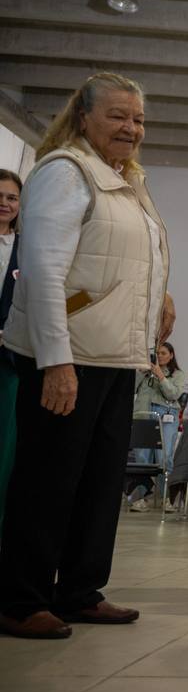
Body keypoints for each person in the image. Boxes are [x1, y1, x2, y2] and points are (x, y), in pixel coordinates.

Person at [0, 72, 175, 639]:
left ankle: (78, 590)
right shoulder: (64, 172)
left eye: (139, 119)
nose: (132, 127)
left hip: (117, 357)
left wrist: (158, 299)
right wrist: (56, 361)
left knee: (98, 485)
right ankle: (20, 599)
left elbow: (123, 260)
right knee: (48, 481)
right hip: (71, 354)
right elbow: (44, 273)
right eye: (119, 116)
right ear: (84, 117)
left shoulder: (127, 179)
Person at [127, 341, 188, 513]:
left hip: (166, 418)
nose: (159, 356)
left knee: (164, 457)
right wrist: (140, 372)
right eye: (157, 353)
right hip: (143, 415)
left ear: (171, 355)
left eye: (163, 353)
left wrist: (161, 376)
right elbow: (129, 389)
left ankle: (166, 498)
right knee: (142, 457)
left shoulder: (177, 374)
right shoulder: (144, 374)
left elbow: (173, 394)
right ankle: (140, 498)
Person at [0, 168, 21, 529]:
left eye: (12, 197)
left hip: (10, 359)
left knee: (5, 449)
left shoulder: (27, 248)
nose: (4, 203)